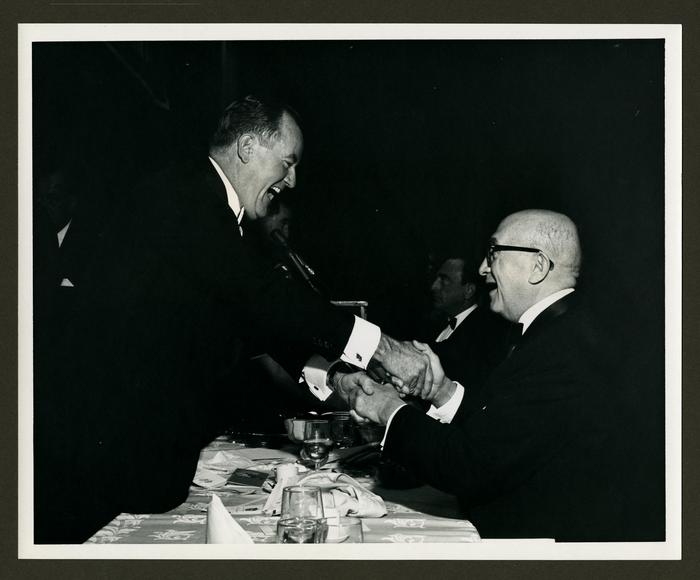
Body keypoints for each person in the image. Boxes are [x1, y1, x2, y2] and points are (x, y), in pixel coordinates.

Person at [33, 95, 431, 543]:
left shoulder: (212, 206)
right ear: (247, 147)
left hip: (135, 443)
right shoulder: (188, 195)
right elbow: (260, 297)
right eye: (288, 161)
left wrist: (337, 377)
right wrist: (384, 348)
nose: (292, 180)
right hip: (106, 446)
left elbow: (252, 315)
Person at [335, 209, 628, 541]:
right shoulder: (558, 331)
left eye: (494, 253)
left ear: (539, 266)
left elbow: (470, 465)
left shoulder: (561, 348)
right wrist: (442, 391)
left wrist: (389, 409)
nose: (482, 269)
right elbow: (504, 433)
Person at [428, 254, 509, 392]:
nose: (434, 286)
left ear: (468, 291)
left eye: (444, 280)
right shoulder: (432, 324)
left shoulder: (486, 333)